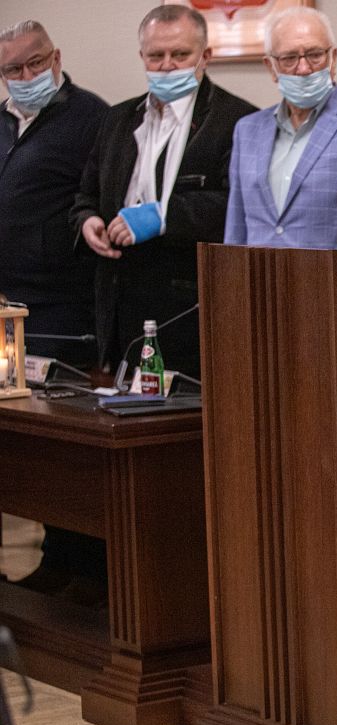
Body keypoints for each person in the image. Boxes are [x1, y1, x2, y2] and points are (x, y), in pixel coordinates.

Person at [70, 4, 256, 382]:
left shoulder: (239, 121)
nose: (167, 66)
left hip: (191, 306)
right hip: (120, 306)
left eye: (180, 54)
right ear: (142, 56)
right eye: (156, 56)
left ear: (206, 55)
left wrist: (164, 215)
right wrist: (88, 221)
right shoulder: (117, 119)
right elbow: (86, 194)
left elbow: (241, 206)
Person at [1, 20, 109, 607]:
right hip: (5, 307)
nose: (26, 76)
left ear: (56, 57)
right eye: (13, 69)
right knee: (19, 443)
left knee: (63, 444)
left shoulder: (91, 119)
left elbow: (95, 200)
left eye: (35, 63)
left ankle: (83, 567)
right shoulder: (2, 120)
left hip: (60, 305)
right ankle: (49, 558)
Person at [224, 7, 337, 251]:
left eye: (314, 55)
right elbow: (235, 237)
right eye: (289, 58)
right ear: (271, 67)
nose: (303, 69)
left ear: (333, 59)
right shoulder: (247, 130)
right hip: (259, 276)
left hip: (333, 277)